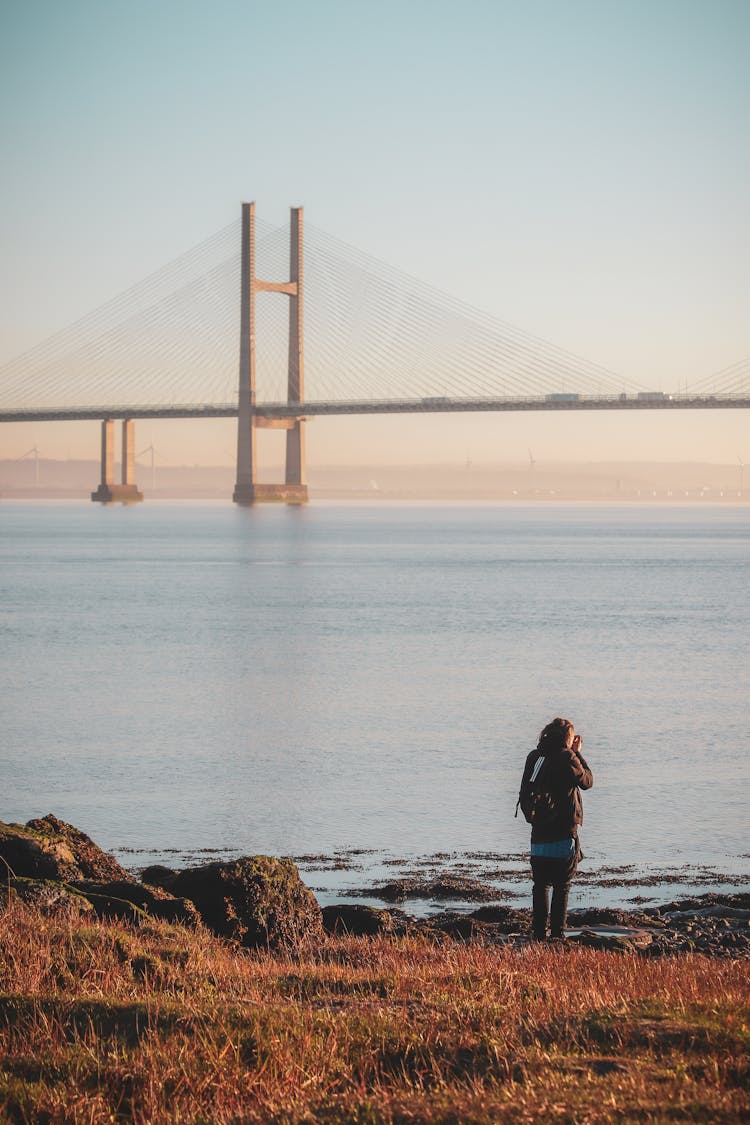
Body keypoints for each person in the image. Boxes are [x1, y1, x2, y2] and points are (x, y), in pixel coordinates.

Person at [519, 717, 593, 941]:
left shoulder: (535, 757)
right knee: (562, 884)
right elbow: (587, 781)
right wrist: (577, 753)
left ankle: (539, 933)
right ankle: (558, 934)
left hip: (539, 829)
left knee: (540, 885)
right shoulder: (567, 757)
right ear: (567, 739)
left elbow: (525, 791)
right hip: (563, 830)